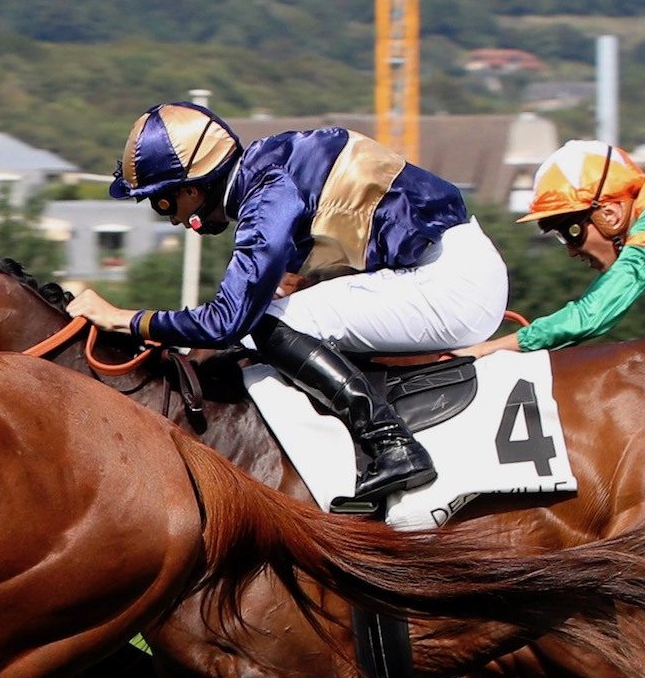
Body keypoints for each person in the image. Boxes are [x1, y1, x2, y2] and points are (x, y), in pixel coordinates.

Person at [68, 103, 509, 505]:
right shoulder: (270, 166)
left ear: (194, 187)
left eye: (164, 202)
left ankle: (391, 443)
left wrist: (124, 319)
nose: (173, 219)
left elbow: (226, 321)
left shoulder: (267, 193)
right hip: (448, 268)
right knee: (280, 320)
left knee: (267, 326)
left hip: (449, 283)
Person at [463, 140, 645, 358]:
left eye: (571, 232)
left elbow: (591, 315)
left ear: (609, 213)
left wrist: (488, 349)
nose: (572, 251)